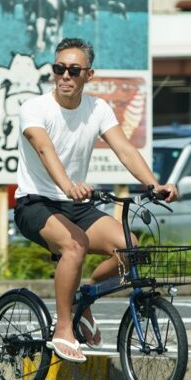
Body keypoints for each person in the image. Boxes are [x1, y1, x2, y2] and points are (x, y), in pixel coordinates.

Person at [13, 38, 178, 363]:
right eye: (59, 69)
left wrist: (154, 185)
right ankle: (63, 329)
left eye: (74, 70)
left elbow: (126, 150)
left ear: (89, 74)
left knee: (131, 249)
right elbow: (45, 151)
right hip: (35, 203)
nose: (65, 77)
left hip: (77, 205)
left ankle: (83, 298)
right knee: (74, 245)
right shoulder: (34, 108)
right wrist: (68, 185)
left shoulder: (98, 108)